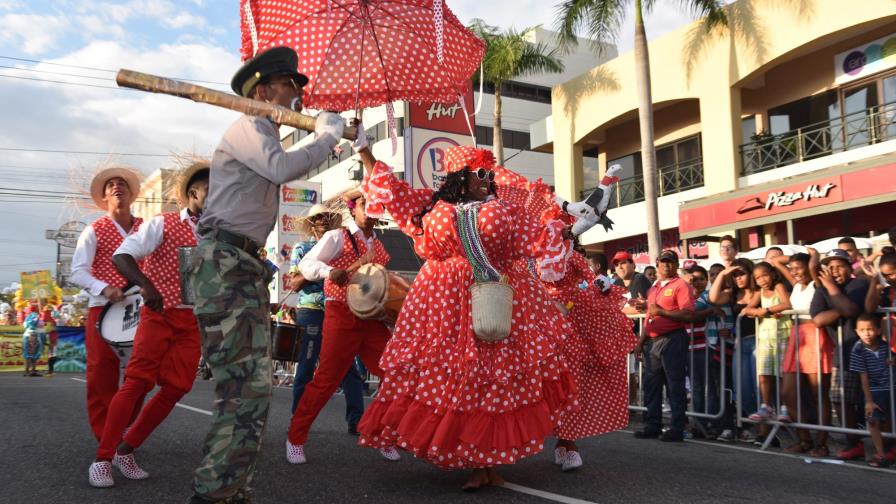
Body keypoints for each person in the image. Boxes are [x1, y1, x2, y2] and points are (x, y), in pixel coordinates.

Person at [354, 140, 577, 490]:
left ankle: (489, 461)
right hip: (444, 303)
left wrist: (562, 221)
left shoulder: (504, 208)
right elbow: (393, 193)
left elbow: (537, 237)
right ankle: (471, 457)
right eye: (480, 173)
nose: (487, 179)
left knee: (494, 376)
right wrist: (365, 151)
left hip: (499, 294)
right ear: (460, 176)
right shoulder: (431, 203)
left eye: (490, 173)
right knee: (456, 376)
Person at [186, 46, 344, 504]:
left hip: (243, 263)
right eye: (291, 85)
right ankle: (215, 494)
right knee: (242, 389)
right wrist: (328, 137)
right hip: (225, 263)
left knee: (253, 391)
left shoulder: (265, 133)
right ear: (263, 90)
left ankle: (230, 490)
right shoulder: (250, 125)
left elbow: (279, 166)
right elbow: (282, 169)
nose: (298, 95)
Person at [86, 162, 208, 488]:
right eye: (211, 188)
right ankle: (103, 458)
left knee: (177, 387)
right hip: (159, 314)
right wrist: (145, 285)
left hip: (192, 320)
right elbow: (122, 256)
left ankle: (127, 448)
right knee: (137, 382)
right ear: (193, 191)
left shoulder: (218, 232)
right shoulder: (163, 223)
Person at [286, 189, 395, 464]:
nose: (370, 207)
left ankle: (383, 434)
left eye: (375, 203)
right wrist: (327, 272)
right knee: (325, 381)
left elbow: (382, 284)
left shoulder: (380, 247)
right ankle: (295, 438)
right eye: (364, 203)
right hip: (340, 314)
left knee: (394, 374)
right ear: (353, 208)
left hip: (371, 318)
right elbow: (308, 264)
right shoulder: (337, 237)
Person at [70, 166, 144, 441]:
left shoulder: (145, 228)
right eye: (111, 184)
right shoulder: (94, 230)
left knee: (141, 375)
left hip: (140, 310)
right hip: (102, 309)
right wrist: (105, 288)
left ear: (131, 194)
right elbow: (78, 271)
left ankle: (125, 429)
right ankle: (106, 438)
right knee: (102, 375)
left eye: (122, 183)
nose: (117, 186)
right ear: (104, 196)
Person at [288, 204, 366, 435]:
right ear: (312, 223)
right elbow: (293, 283)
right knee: (307, 364)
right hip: (311, 310)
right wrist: (322, 271)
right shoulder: (302, 247)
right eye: (318, 218)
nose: (323, 220)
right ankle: (298, 420)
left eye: (326, 217)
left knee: (348, 368)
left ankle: (356, 420)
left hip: (340, 309)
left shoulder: (341, 244)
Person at [810, 249, 869, 461]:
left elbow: (852, 310)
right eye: (831, 267)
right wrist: (840, 308)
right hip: (843, 352)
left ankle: (887, 445)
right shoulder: (822, 290)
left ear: (849, 267)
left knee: (878, 400)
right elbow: (818, 320)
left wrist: (832, 289)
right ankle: (854, 443)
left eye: (840, 266)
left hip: (870, 352)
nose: (835, 271)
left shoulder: (860, 284)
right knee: (840, 400)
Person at [773, 250, 832, 456]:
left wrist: (814, 255)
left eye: (800, 268)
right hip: (796, 337)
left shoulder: (817, 282)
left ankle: (822, 443)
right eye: (793, 269)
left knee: (819, 395)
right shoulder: (797, 285)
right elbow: (774, 260)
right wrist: (793, 258)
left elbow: (813, 266)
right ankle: (804, 439)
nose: (795, 272)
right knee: (788, 393)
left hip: (815, 335)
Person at [633, 250, 696, 442]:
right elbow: (650, 317)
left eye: (670, 262)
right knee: (652, 385)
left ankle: (677, 427)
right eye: (663, 262)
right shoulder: (654, 288)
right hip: (652, 340)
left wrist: (662, 311)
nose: (666, 265)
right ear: (658, 264)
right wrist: (640, 342)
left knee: (674, 385)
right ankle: (653, 425)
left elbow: (689, 314)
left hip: (673, 338)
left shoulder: (681, 285)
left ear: (676, 265)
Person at [709, 258, 759, 442]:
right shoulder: (731, 294)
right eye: (735, 275)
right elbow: (713, 298)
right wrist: (723, 273)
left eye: (742, 274)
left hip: (759, 344)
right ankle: (757, 426)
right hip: (740, 345)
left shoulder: (759, 292)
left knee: (758, 389)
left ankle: (764, 430)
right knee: (742, 390)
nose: (738, 278)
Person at [745, 262, 792, 425]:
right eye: (758, 277)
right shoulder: (760, 292)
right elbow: (747, 309)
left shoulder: (779, 286)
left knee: (781, 373)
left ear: (772, 274)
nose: (762, 280)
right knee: (764, 373)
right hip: (765, 335)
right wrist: (757, 311)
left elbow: (787, 304)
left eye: (764, 275)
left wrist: (767, 310)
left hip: (782, 333)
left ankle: (785, 406)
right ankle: (766, 406)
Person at [850, 313, 892, 467]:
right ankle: (880, 453)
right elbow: (863, 377)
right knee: (873, 420)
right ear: (856, 331)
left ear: (879, 330)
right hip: (874, 390)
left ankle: (889, 450)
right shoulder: (858, 349)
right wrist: (868, 401)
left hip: (891, 387)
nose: (866, 333)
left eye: (870, 329)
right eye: (862, 330)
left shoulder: (885, 346)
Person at [21, 311, 45, 377]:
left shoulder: (27, 322)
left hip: (26, 337)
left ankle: (27, 371)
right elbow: (42, 334)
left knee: (27, 356)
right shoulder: (38, 322)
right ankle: (32, 371)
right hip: (35, 337)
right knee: (34, 356)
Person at [40, 306, 58, 376]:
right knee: (52, 355)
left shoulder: (46, 321)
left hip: (50, 340)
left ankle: (50, 371)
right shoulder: (50, 321)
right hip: (51, 340)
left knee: (51, 355)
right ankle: (50, 371)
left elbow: (48, 330)